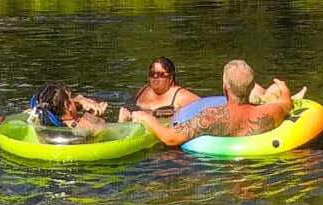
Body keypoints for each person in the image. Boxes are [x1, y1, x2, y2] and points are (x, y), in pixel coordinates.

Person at [123, 59, 292, 146]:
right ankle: (268, 91)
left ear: (224, 88)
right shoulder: (270, 112)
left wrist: (146, 118)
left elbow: (171, 138)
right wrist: (283, 89)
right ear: (251, 88)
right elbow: (286, 104)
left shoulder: (211, 117)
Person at [121, 56, 200, 120]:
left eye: (160, 74)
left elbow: (206, 107)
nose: (155, 77)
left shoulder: (181, 95)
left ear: (170, 77)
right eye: (152, 74)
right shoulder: (143, 91)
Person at [29, 83, 106, 138]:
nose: (73, 99)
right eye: (71, 98)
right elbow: (101, 126)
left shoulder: (40, 120)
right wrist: (97, 114)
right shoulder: (82, 126)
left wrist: (79, 101)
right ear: (67, 105)